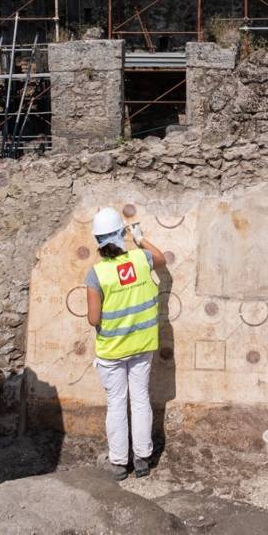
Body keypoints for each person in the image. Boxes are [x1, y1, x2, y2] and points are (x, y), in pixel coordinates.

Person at [85, 206, 167, 481]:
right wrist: (140, 237)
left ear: (98, 241)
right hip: (142, 345)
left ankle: (120, 463)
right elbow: (161, 259)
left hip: (112, 350)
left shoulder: (96, 274)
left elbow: (93, 317)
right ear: (122, 234)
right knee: (141, 399)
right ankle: (142, 459)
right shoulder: (141, 259)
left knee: (117, 403)